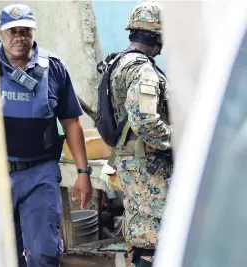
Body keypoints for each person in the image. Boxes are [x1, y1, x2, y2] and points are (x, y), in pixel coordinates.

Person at [0, 4, 93, 267]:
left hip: (39, 172)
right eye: (12, 31)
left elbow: (71, 122)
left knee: (43, 254)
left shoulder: (54, 69)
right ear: (0, 33)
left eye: (25, 30)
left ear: (34, 31)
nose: (19, 37)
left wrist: (83, 173)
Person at [108, 1, 173, 266]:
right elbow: (145, 122)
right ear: (157, 35)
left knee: (142, 234)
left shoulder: (118, 63)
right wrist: (177, 139)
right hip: (149, 167)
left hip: (132, 163)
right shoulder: (143, 70)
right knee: (157, 236)